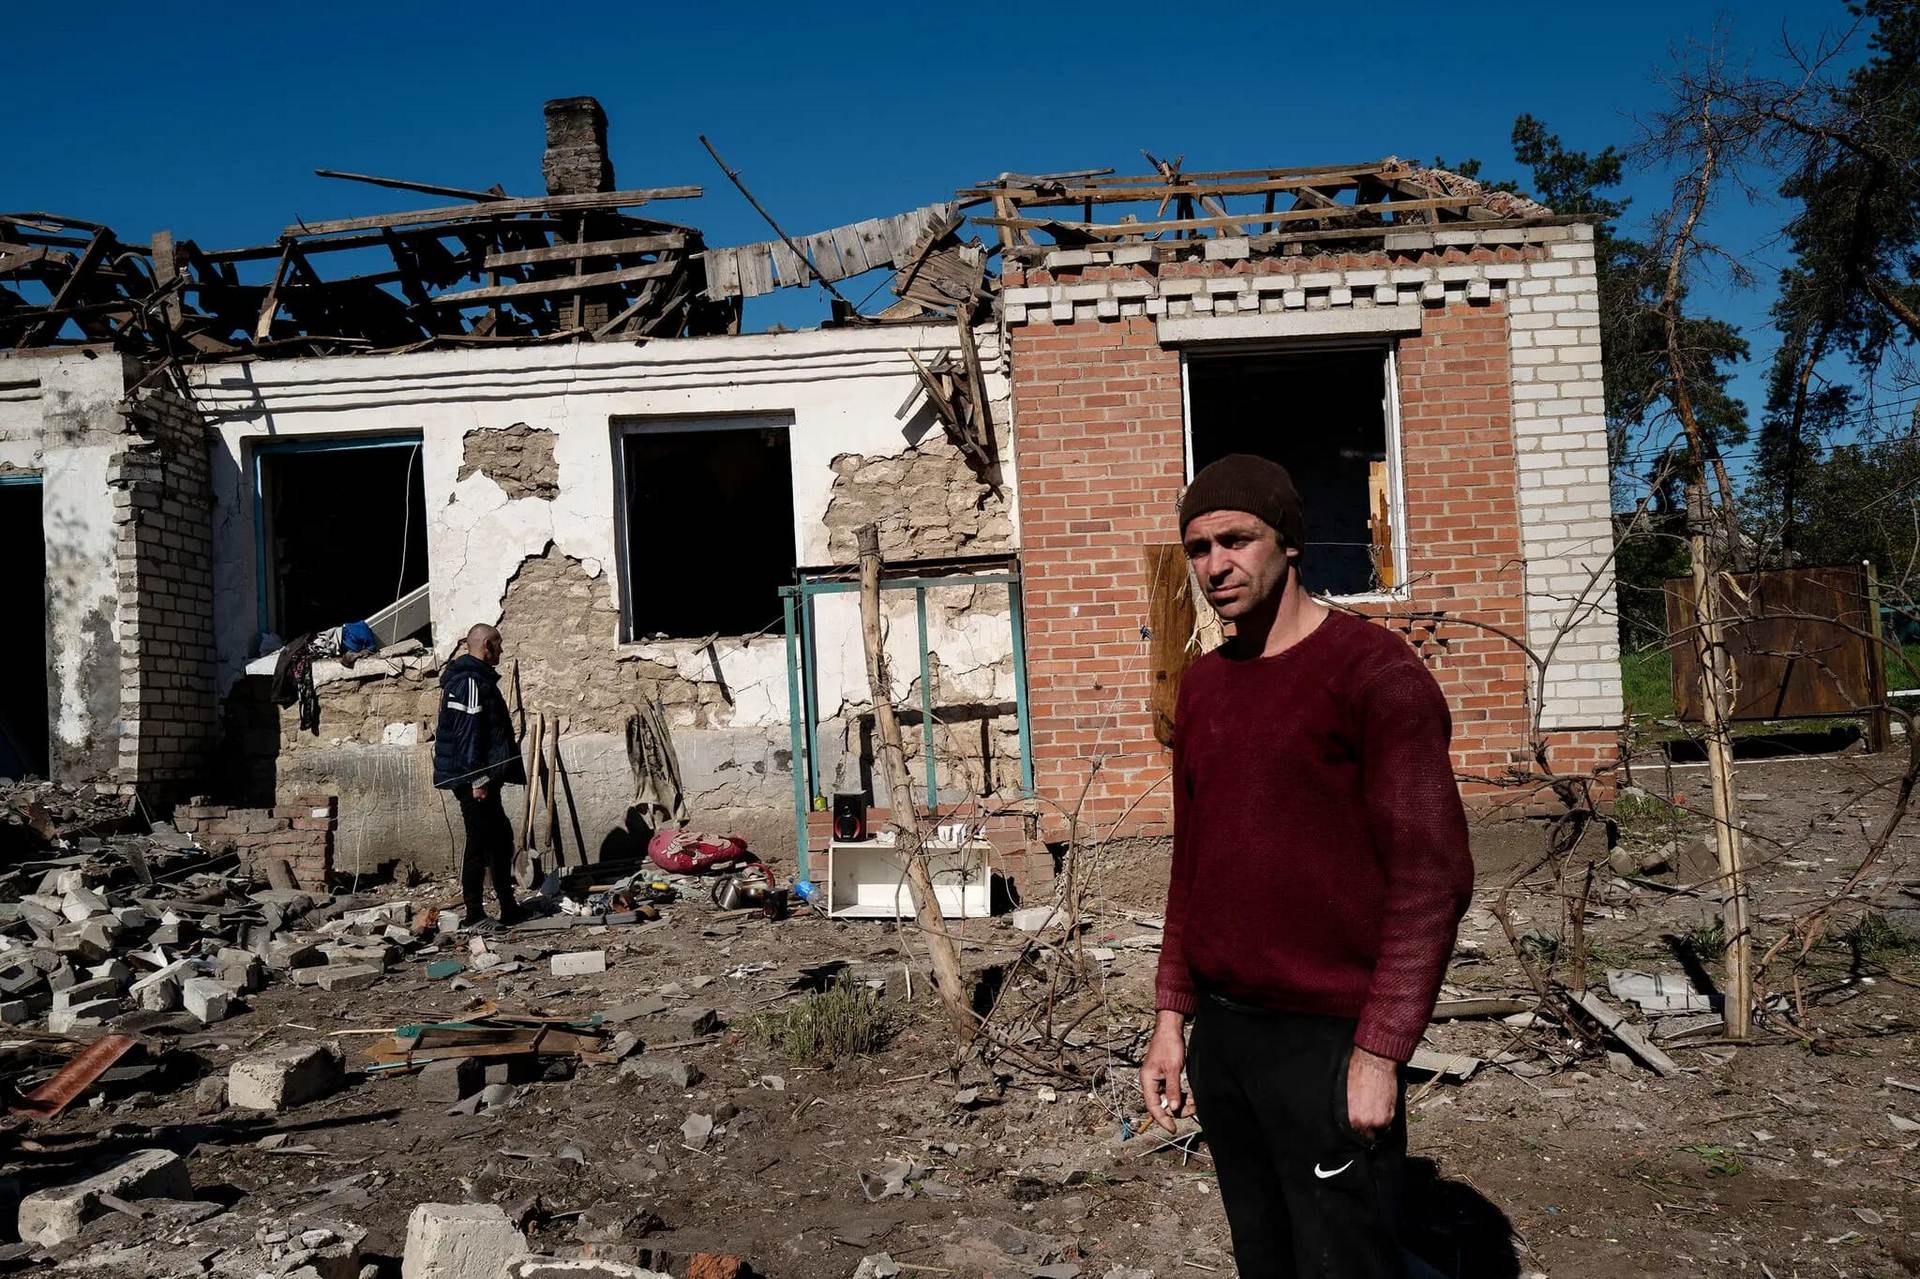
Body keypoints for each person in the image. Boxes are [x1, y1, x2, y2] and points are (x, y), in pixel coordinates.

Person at [1139, 454, 1474, 1278]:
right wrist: (1171, 1019)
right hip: (1227, 1037)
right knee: (1265, 1255)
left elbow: (1431, 878)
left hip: (1330, 1040)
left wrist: (1381, 1050)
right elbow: (1194, 866)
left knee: (1345, 1260)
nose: (1215, 564)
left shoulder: (1373, 675)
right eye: (1198, 547)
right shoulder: (1205, 688)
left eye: (1236, 539)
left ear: (1288, 542)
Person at [433, 623, 527, 934]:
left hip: (484, 778)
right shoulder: (470, 682)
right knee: (479, 843)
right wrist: (477, 779)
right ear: (486, 645)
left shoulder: (478, 679)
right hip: (473, 780)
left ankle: (508, 905)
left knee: (501, 840)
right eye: (498, 645)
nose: (501, 651)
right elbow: (465, 733)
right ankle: (474, 913)